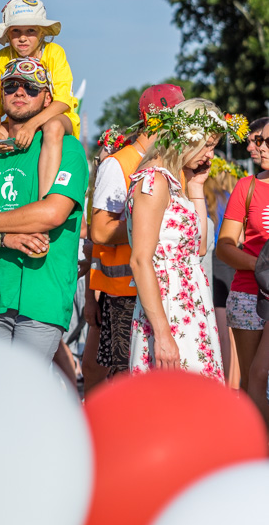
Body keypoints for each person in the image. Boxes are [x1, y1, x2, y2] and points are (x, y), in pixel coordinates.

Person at [0, 58, 88, 365]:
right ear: (1, 96)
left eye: (31, 88)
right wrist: (3, 237)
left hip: (44, 295)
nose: (20, 92)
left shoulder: (68, 148)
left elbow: (51, 213)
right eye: (11, 86)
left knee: (25, 394)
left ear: (47, 98)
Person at [127, 98, 248, 376]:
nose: (210, 154)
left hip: (190, 304)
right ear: (185, 138)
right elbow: (140, 261)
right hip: (169, 308)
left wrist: (195, 186)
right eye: (207, 145)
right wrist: (163, 334)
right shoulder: (154, 182)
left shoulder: (174, 181)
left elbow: (200, 247)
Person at [88, 84, 185, 381]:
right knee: (126, 378)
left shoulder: (172, 164)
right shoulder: (118, 164)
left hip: (160, 289)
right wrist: (146, 223)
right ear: (158, 121)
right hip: (124, 294)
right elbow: (101, 231)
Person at [0, 0, 80, 221]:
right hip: (13, 122)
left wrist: (32, 125)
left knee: (53, 127)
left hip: (58, 117)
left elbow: (63, 101)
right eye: (16, 32)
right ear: (7, 34)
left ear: (42, 33)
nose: (23, 38)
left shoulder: (55, 54)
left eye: (31, 31)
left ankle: (42, 208)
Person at [216, 121, 269, 412]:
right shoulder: (247, 186)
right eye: (257, 141)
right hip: (249, 296)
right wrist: (262, 268)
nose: (256, 147)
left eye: (263, 141)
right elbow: (224, 247)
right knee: (251, 383)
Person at [204, 158, 246, 383]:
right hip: (232, 259)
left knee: (221, 330)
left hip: (213, 259)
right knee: (233, 332)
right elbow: (241, 236)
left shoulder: (202, 198)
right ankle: (235, 387)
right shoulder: (228, 198)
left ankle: (227, 387)